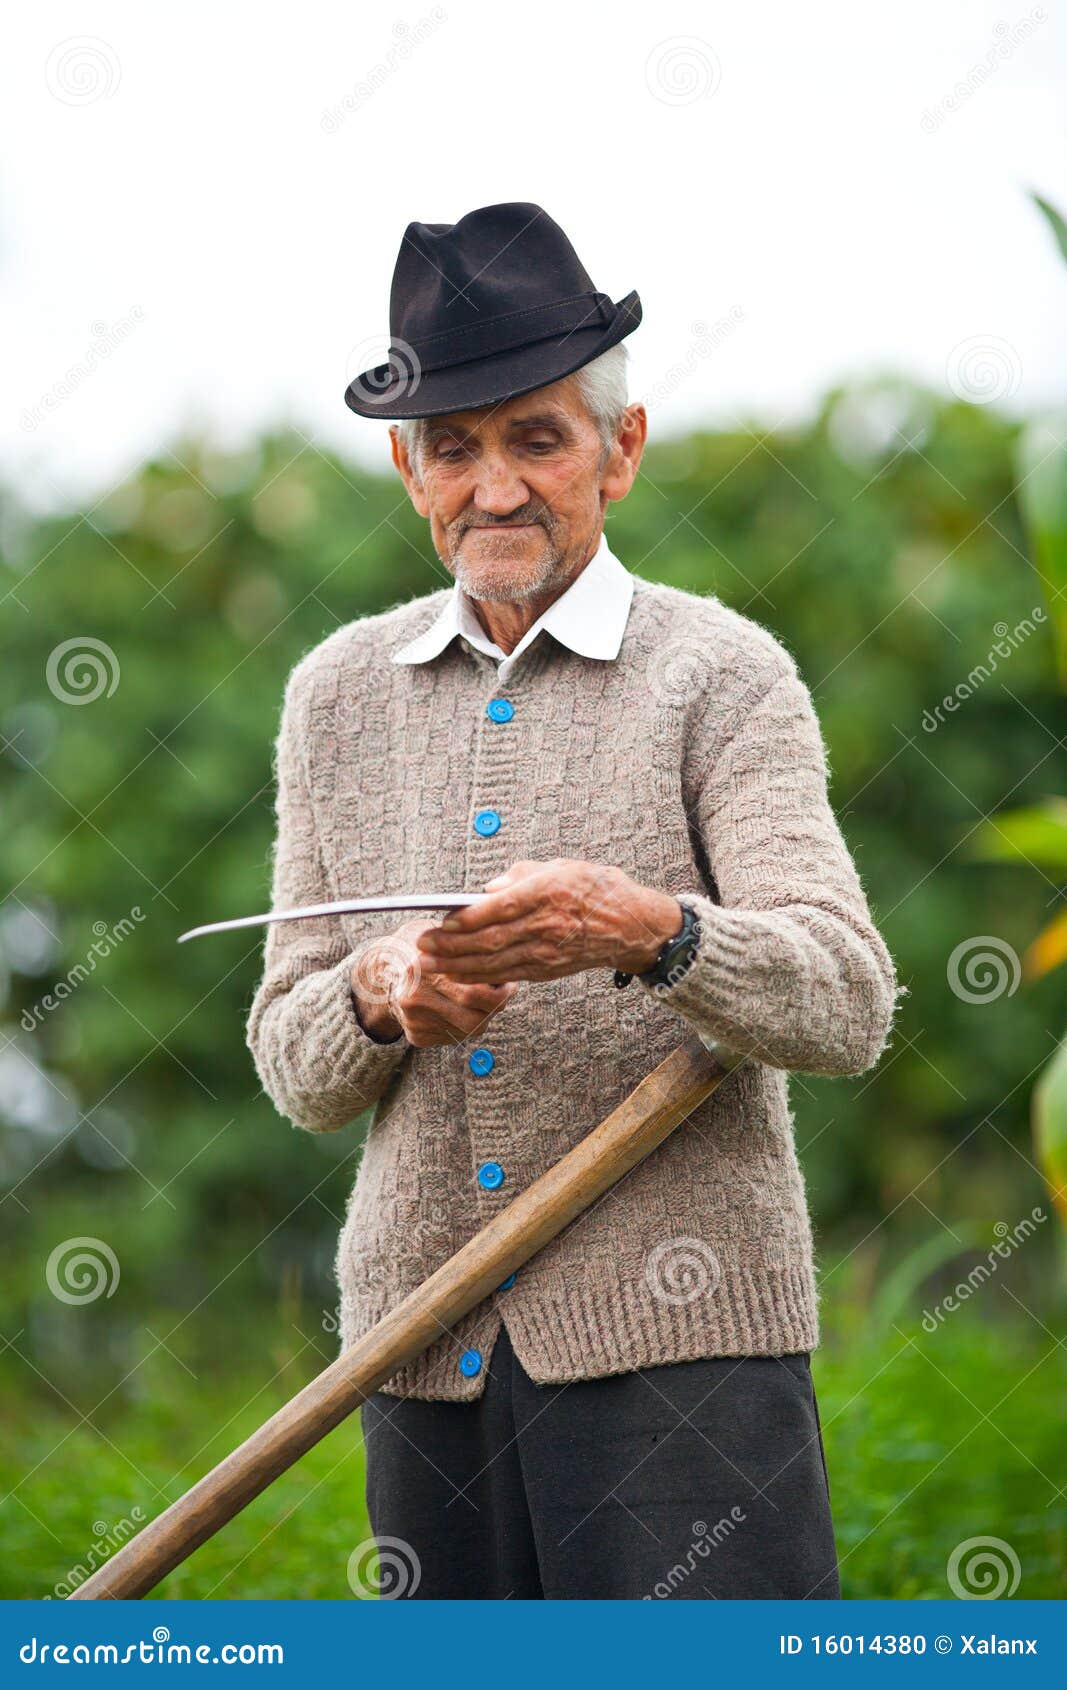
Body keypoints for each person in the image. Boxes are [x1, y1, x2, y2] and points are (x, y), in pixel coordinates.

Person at [246, 202, 899, 1600]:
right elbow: (296, 1064)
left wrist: (651, 932)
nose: (495, 487)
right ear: (405, 470)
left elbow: (847, 998)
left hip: (685, 1366)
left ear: (622, 447)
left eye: (537, 437)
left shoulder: (721, 675)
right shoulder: (334, 700)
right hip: (419, 1358)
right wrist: (380, 995)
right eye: (454, 448)